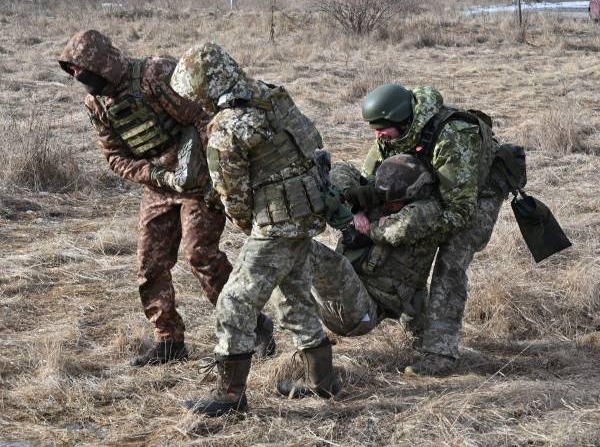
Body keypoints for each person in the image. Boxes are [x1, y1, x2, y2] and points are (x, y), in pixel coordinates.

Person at [58, 31, 274, 366]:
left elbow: (205, 118)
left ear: (101, 63)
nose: (77, 77)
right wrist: (157, 176)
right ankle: (169, 341)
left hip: (201, 181)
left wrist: (215, 175)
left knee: (201, 255)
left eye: (81, 69)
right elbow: (115, 156)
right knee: (150, 264)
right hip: (160, 186)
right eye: (71, 71)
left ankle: (253, 327)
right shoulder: (97, 103)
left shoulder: (154, 74)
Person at [169, 43, 340, 416]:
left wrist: (253, 225)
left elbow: (232, 195)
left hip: (276, 225)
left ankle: (229, 396)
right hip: (307, 212)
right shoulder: (271, 95)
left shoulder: (227, 128)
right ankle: (322, 382)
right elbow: (311, 142)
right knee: (294, 297)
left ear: (203, 90)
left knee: (235, 302)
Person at [350, 84, 509, 375]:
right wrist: (359, 206)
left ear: (402, 122)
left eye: (383, 129)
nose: (378, 135)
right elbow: (369, 178)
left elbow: (460, 211)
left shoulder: (453, 137)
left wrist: (409, 228)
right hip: (436, 191)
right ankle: (419, 327)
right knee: (409, 239)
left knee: (450, 262)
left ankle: (441, 354)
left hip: (476, 196)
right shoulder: (392, 134)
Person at [307, 154, 443, 341]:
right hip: (351, 294)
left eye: (394, 202)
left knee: (308, 251)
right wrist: (355, 202)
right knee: (288, 252)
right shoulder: (381, 198)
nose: (387, 204)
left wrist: (364, 226)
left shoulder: (428, 210)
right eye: (384, 199)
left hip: (362, 311)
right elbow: (339, 170)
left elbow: (397, 229)